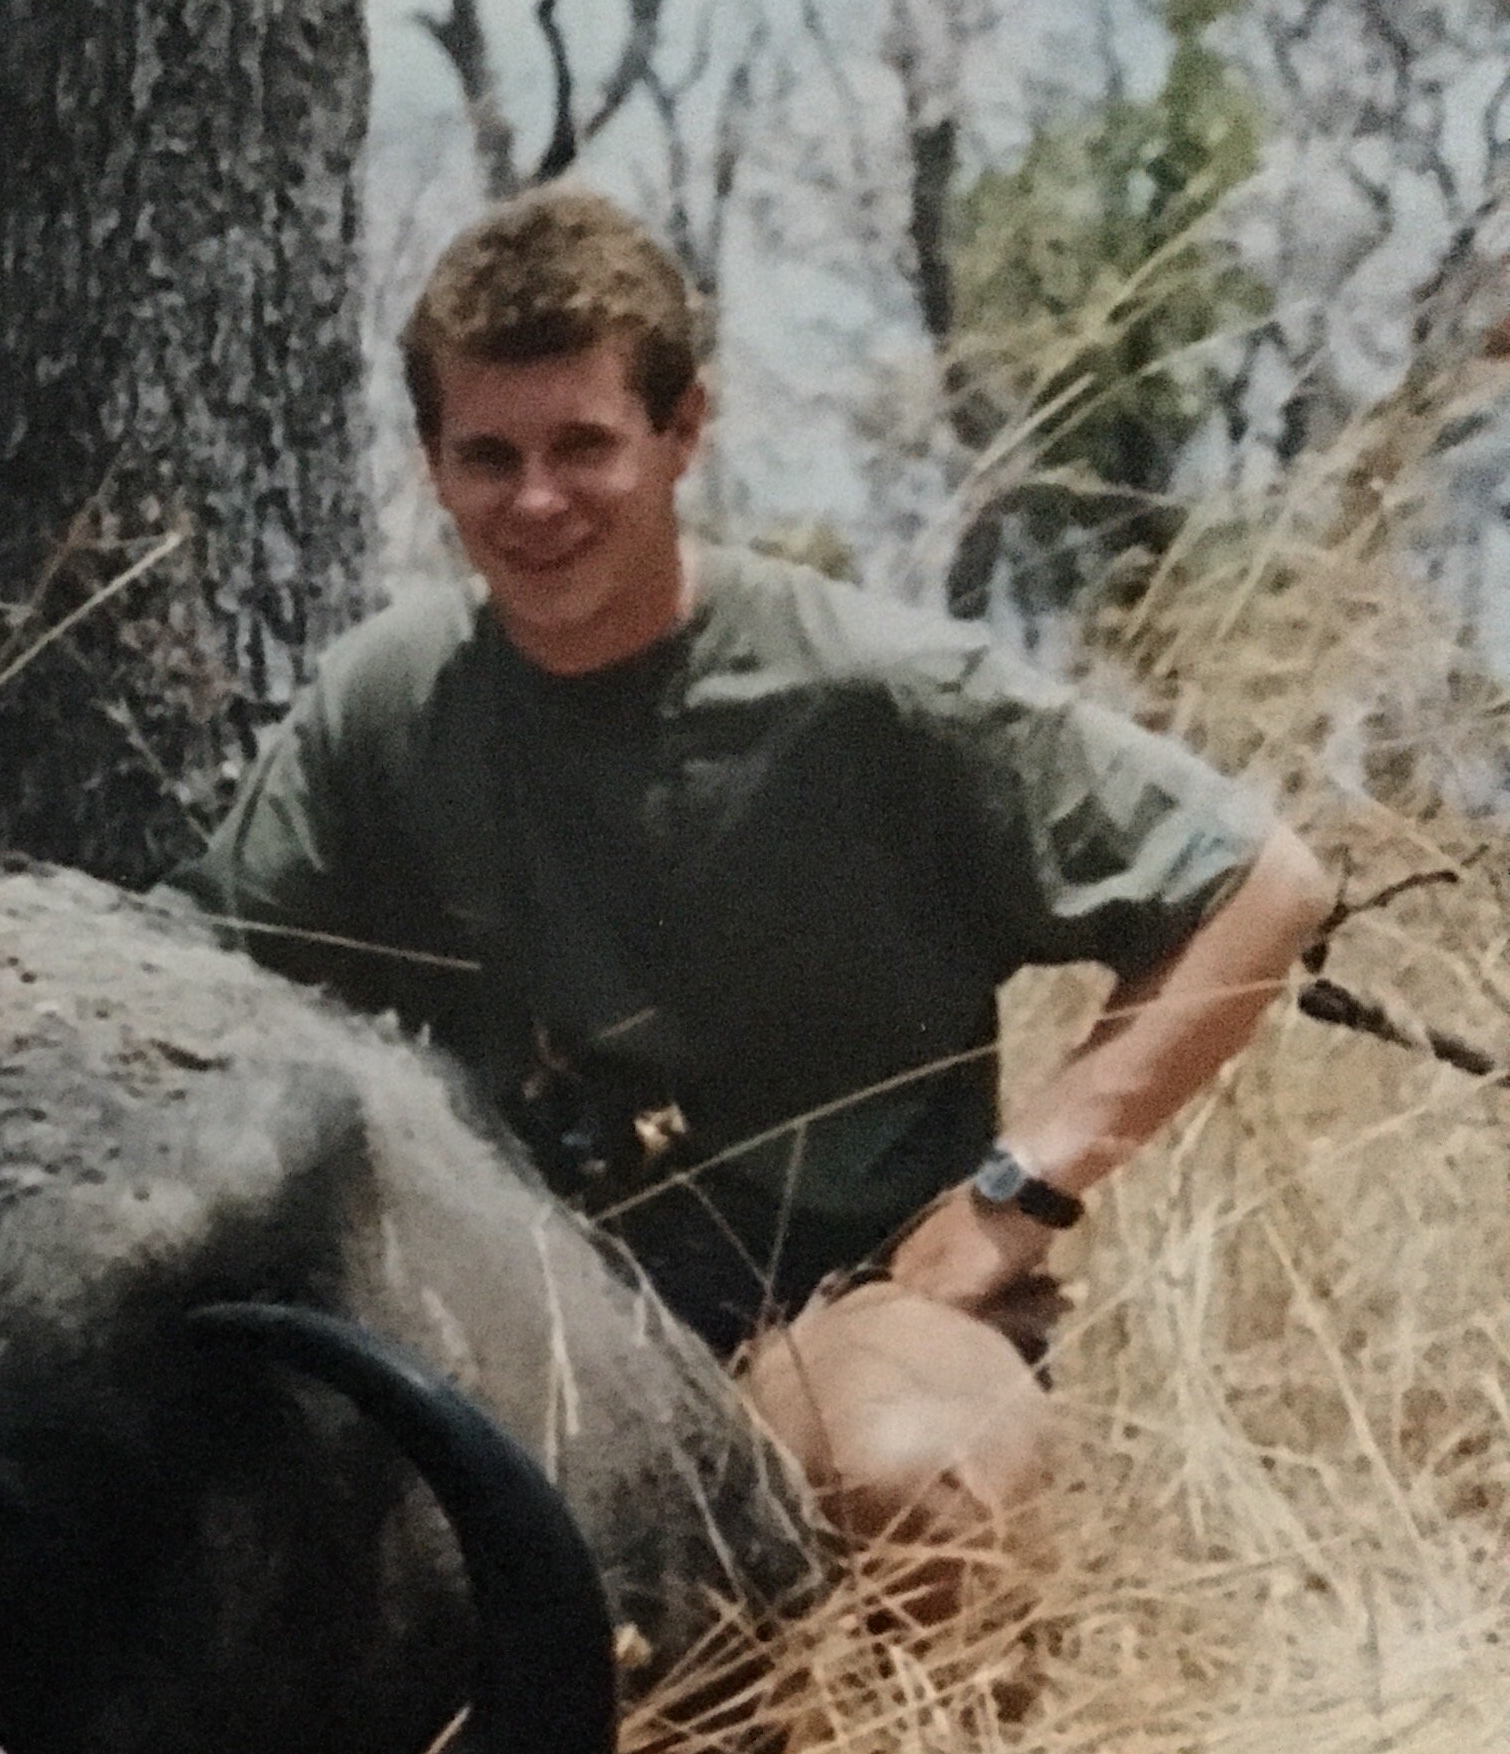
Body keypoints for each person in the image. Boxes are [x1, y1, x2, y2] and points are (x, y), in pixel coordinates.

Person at [169, 189, 1334, 1578]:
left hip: (840, 1311)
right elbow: (211, 996)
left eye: (584, 446)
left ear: (682, 433)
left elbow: (1264, 885)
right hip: (503, 1327)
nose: (536, 502)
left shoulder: (872, 689)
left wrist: (1014, 1199)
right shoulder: (385, 705)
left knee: (914, 1496)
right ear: (432, 463)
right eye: (489, 456)